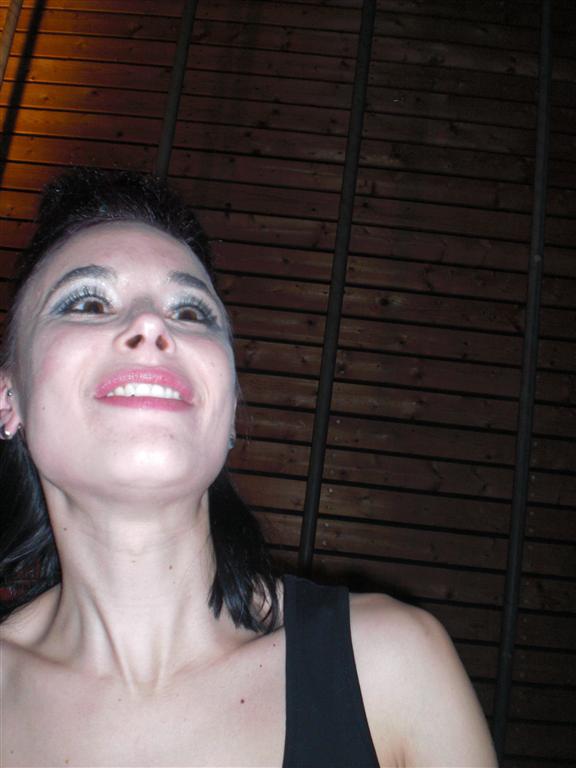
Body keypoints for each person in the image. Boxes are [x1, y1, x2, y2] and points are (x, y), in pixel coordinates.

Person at [0, 167, 497, 767]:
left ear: (230, 407)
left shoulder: (390, 665)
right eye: (87, 302)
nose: (151, 325)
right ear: (9, 397)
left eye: (191, 313)